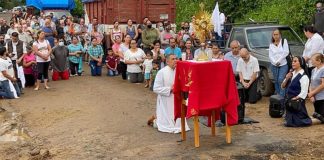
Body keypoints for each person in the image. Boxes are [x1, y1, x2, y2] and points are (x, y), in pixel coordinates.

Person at [152, 53, 190, 133]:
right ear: (167, 61)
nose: (175, 60)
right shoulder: (161, 72)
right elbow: (156, 88)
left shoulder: (180, 72)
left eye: (176, 58)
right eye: (173, 59)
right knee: (165, 123)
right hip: (166, 99)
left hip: (178, 98)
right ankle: (156, 121)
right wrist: (170, 89)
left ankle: (179, 125)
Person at [281, 56, 312, 127]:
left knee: (300, 122)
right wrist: (286, 78)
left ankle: (316, 119)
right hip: (289, 102)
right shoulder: (291, 74)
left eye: (295, 61)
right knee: (289, 123)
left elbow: (304, 93)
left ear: (301, 63)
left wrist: (294, 99)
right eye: (292, 61)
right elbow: (282, 86)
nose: (293, 63)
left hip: (297, 103)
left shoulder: (304, 76)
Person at [269, 29, 289, 97]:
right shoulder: (271, 44)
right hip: (274, 65)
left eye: (277, 34)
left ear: (280, 35)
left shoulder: (284, 41)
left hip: (283, 64)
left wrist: (279, 61)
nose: (275, 36)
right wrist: (274, 62)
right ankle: (278, 95)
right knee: (276, 80)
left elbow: (286, 52)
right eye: (274, 34)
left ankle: (282, 96)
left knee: (281, 79)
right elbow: (270, 55)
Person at [308, 53, 324, 123]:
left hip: (322, 97)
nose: (311, 62)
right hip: (315, 97)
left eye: (313, 60)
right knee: (316, 115)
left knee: (321, 118)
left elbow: (323, 84)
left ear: (319, 61)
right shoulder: (313, 70)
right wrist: (311, 94)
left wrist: (312, 93)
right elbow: (311, 83)